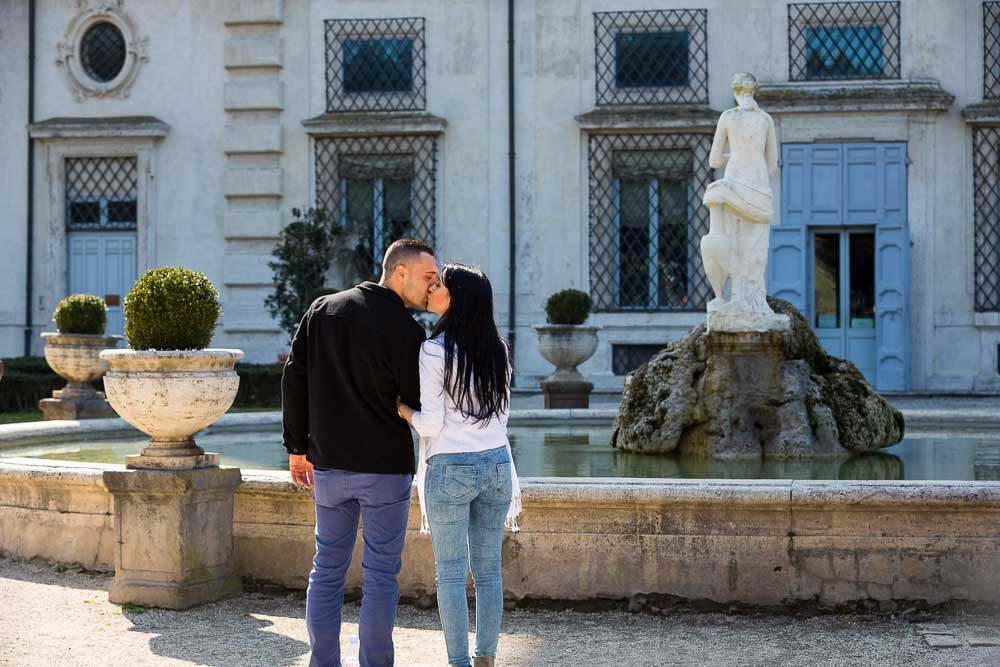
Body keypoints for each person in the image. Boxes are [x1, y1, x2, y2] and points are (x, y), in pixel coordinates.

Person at [281, 238, 438, 667]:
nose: (432, 286)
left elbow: (294, 378)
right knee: (381, 577)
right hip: (385, 469)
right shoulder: (408, 330)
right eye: (427, 277)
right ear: (399, 272)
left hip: (330, 466)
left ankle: (323, 663)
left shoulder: (323, 310)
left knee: (326, 571)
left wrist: (297, 447)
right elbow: (417, 399)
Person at [397, 263, 522, 667]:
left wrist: (402, 411)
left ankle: (459, 662)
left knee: (450, 575)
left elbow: (430, 424)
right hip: (498, 465)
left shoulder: (434, 350)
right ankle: (486, 658)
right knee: (489, 572)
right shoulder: (498, 349)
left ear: (458, 299)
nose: (431, 289)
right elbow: (501, 419)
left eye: (439, 285)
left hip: (451, 466)